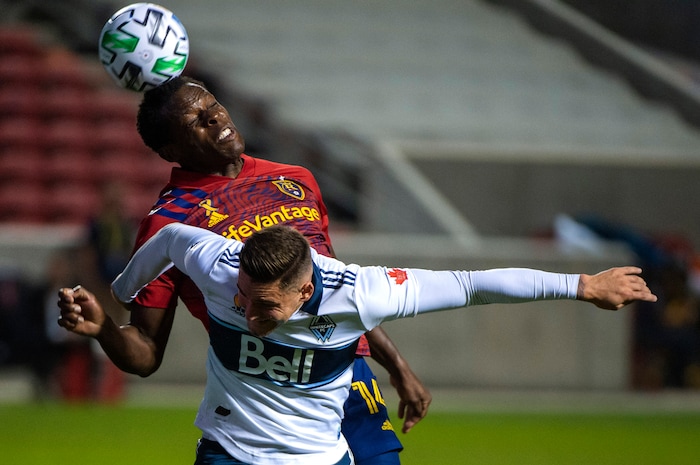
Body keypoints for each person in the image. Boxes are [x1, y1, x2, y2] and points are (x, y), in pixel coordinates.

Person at [57, 223, 657, 465]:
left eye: (263, 305)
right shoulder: (218, 264)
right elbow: (168, 240)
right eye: (241, 296)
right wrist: (117, 296)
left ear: (304, 287)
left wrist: (581, 284)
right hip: (229, 452)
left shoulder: (363, 293)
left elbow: (474, 285)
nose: (243, 311)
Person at [69, 76, 428, 463]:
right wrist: (104, 328)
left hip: (345, 372)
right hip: (264, 392)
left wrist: (397, 366)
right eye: (196, 121)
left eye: (213, 106)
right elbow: (146, 352)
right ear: (171, 149)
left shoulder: (296, 179)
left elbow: (342, 288)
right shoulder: (169, 222)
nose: (216, 118)